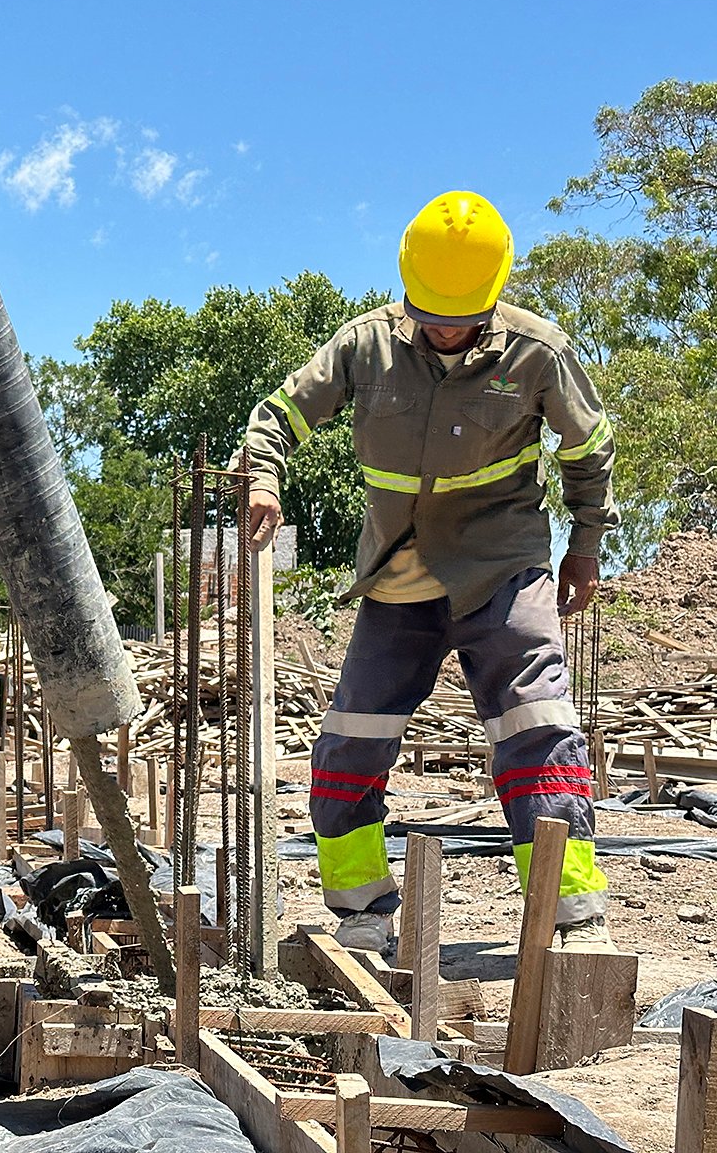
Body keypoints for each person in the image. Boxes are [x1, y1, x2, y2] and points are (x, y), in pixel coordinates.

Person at [242, 190, 617, 955]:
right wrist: (263, 478)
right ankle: (361, 911)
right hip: (398, 580)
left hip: (502, 570)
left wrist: (585, 545)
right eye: (432, 313)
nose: (446, 328)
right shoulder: (365, 345)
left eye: (463, 316)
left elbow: (587, 449)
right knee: (350, 741)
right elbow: (279, 414)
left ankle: (572, 915)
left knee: (538, 728)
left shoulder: (537, 352)